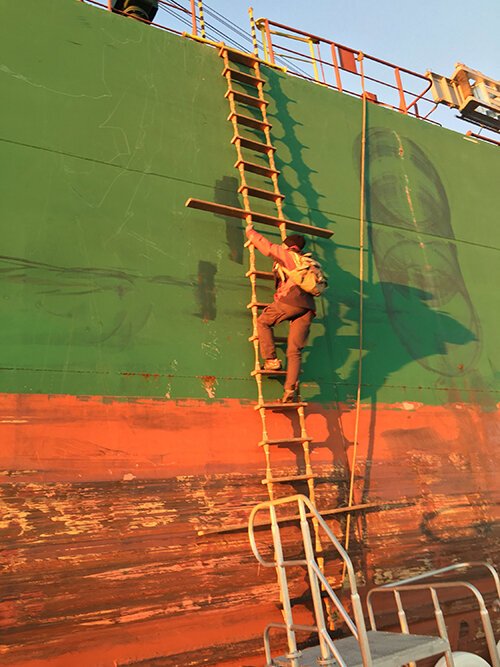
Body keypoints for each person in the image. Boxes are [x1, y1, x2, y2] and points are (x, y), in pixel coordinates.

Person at [246, 223, 315, 403]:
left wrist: (250, 232)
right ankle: (289, 390)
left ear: (288, 245)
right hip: (308, 308)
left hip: (291, 301)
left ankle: (271, 360)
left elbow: (267, 248)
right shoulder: (306, 261)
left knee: (263, 322)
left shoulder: (288, 255)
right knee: (294, 352)